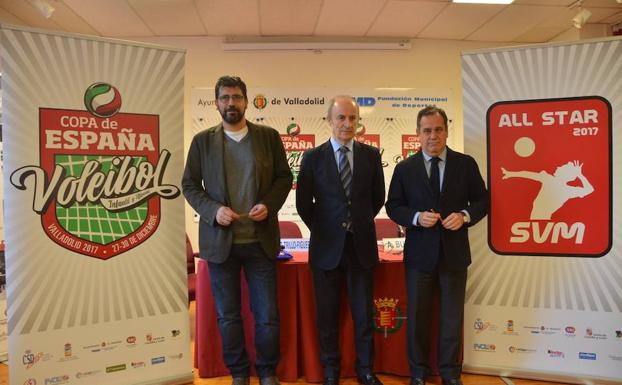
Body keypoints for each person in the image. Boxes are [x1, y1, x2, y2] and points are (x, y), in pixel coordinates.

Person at [182, 76, 292, 385]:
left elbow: (284, 177)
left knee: (267, 316)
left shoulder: (268, 137)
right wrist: (213, 210)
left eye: (236, 97)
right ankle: (240, 373)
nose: (231, 103)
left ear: (246, 101)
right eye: (225, 98)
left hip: (261, 243)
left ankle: (267, 371)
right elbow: (189, 184)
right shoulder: (203, 141)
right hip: (220, 245)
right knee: (228, 316)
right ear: (216, 103)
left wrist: (269, 205)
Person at [385, 106, 488, 385]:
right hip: (419, 257)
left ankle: (450, 374)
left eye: (438, 129)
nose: (433, 136)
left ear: (446, 130)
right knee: (418, 320)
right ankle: (418, 373)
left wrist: (465, 216)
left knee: (451, 319)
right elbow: (393, 205)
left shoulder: (465, 164)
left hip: (454, 256)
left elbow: (482, 201)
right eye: (427, 130)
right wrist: (416, 217)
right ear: (418, 134)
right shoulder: (405, 168)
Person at [296, 96, 385, 385]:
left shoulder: (371, 156)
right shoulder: (312, 157)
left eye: (352, 118)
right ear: (329, 121)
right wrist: (327, 229)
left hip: (361, 247)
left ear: (359, 121)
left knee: (362, 317)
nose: (347, 124)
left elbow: (376, 199)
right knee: (327, 317)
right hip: (326, 249)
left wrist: (354, 224)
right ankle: (331, 372)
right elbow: (303, 204)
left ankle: (366, 370)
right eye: (341, 118)